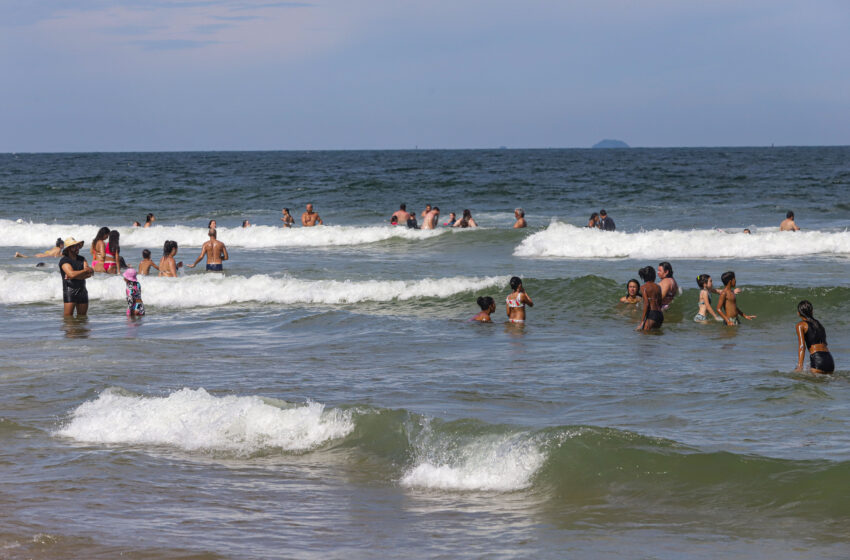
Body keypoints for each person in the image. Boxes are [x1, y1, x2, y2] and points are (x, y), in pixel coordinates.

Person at [795, 300, 834, 374]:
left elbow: (802, 347)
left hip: (817, 359)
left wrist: (800, 366)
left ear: (798, 313)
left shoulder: (801, 325)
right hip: (830, 360)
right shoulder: (819, 324)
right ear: (812, 311)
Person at [59, 237, 93, 317]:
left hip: (82, 290)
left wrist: (75, 276)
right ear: (68, 249)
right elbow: (71, 274)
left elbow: (90, 273)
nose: (77, 248)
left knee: (82, 318)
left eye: (78, 246)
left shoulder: (82, 259)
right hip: (70, 290)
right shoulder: (64, 260)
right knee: (68, 318)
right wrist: (85, 271)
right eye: (74, 246)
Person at [637, 266, 663, 330]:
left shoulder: (643, 287)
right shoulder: (658, 287)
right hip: (660, 315)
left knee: (644, 335)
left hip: (652, 314)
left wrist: (642, 321)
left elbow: (646, 304)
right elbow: (660, 302)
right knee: (655, 335)